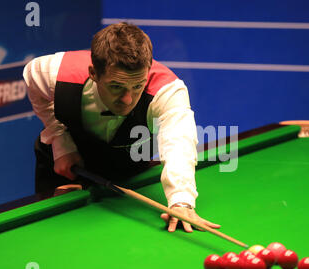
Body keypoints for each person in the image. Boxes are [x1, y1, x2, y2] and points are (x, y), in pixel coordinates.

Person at [23, 22, 220, 233]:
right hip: (65, 169)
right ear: (93, 73)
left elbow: (179, 141)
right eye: (116, 87)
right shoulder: (53, 72)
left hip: (127, 165)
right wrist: (60, 138)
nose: (127, 100)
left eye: (137, 86)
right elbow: (31, 78)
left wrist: (181, 201)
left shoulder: (168, 91)